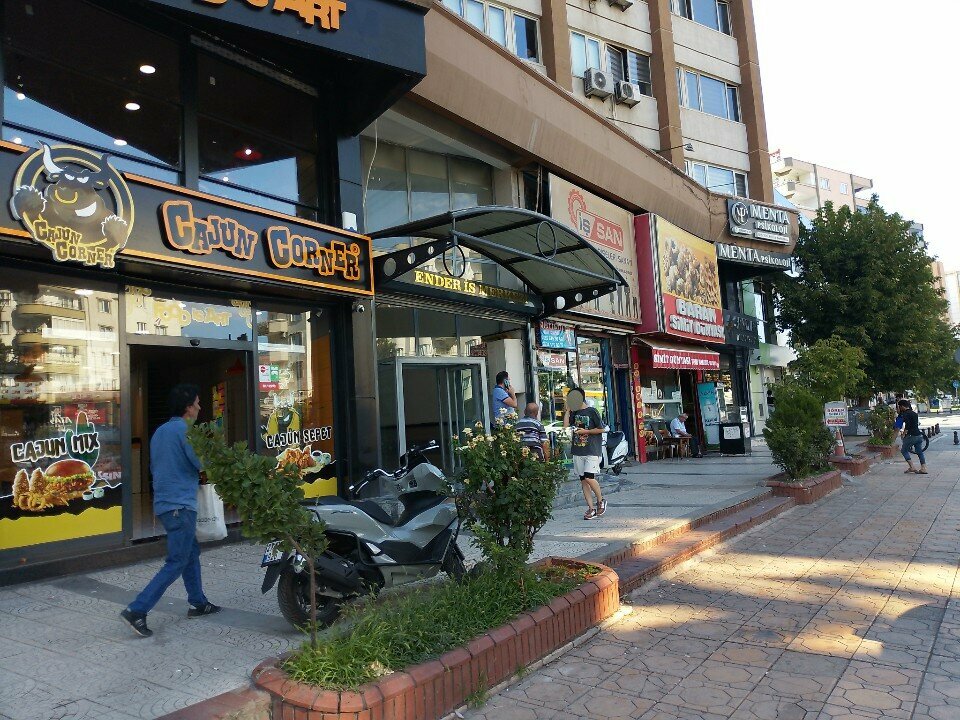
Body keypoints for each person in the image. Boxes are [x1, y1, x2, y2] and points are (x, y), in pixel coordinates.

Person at [120, 384, 221, 637]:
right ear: (188, 407)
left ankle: (198, 603)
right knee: (177, 561)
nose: (200, 407)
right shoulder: (186, 431)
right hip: (181, 506)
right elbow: (201, 462)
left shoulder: (160, 432)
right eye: (197, 403)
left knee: (190, 552)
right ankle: (137, 610)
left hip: (165, 505)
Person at [563, 388, 606, 520]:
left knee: (589, 477)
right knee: (583, 481)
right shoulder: (574, 412)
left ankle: (600, 500)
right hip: (578, 450)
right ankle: (591, 508)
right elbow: (565, 427)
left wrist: (585, 432)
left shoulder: (592, 411)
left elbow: (602, 429)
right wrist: (567, 411)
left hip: (592, 450)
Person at [897, 399, 928, 474]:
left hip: (911, 436)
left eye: (899, 407)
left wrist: (903, 434)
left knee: (904, 450)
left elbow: (902, 425)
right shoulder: (914, 413)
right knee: (919, 452)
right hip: (918, 435)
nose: (899, 409)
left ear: (902, 406)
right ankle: (923, 468)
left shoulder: (904, 414)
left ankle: (912, 467)